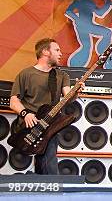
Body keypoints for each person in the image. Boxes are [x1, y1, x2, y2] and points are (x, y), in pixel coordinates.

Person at [10, 38, 72, 175]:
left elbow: (68, 98)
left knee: (48, 163)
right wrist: (26, 114)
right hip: (28, 127)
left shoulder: (62, 76)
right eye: (57, 50)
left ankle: (50, 193)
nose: (61, 53)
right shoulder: (26, 74)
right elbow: (13, 101)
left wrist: (77, 91)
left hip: (50, 125)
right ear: (45, 52)